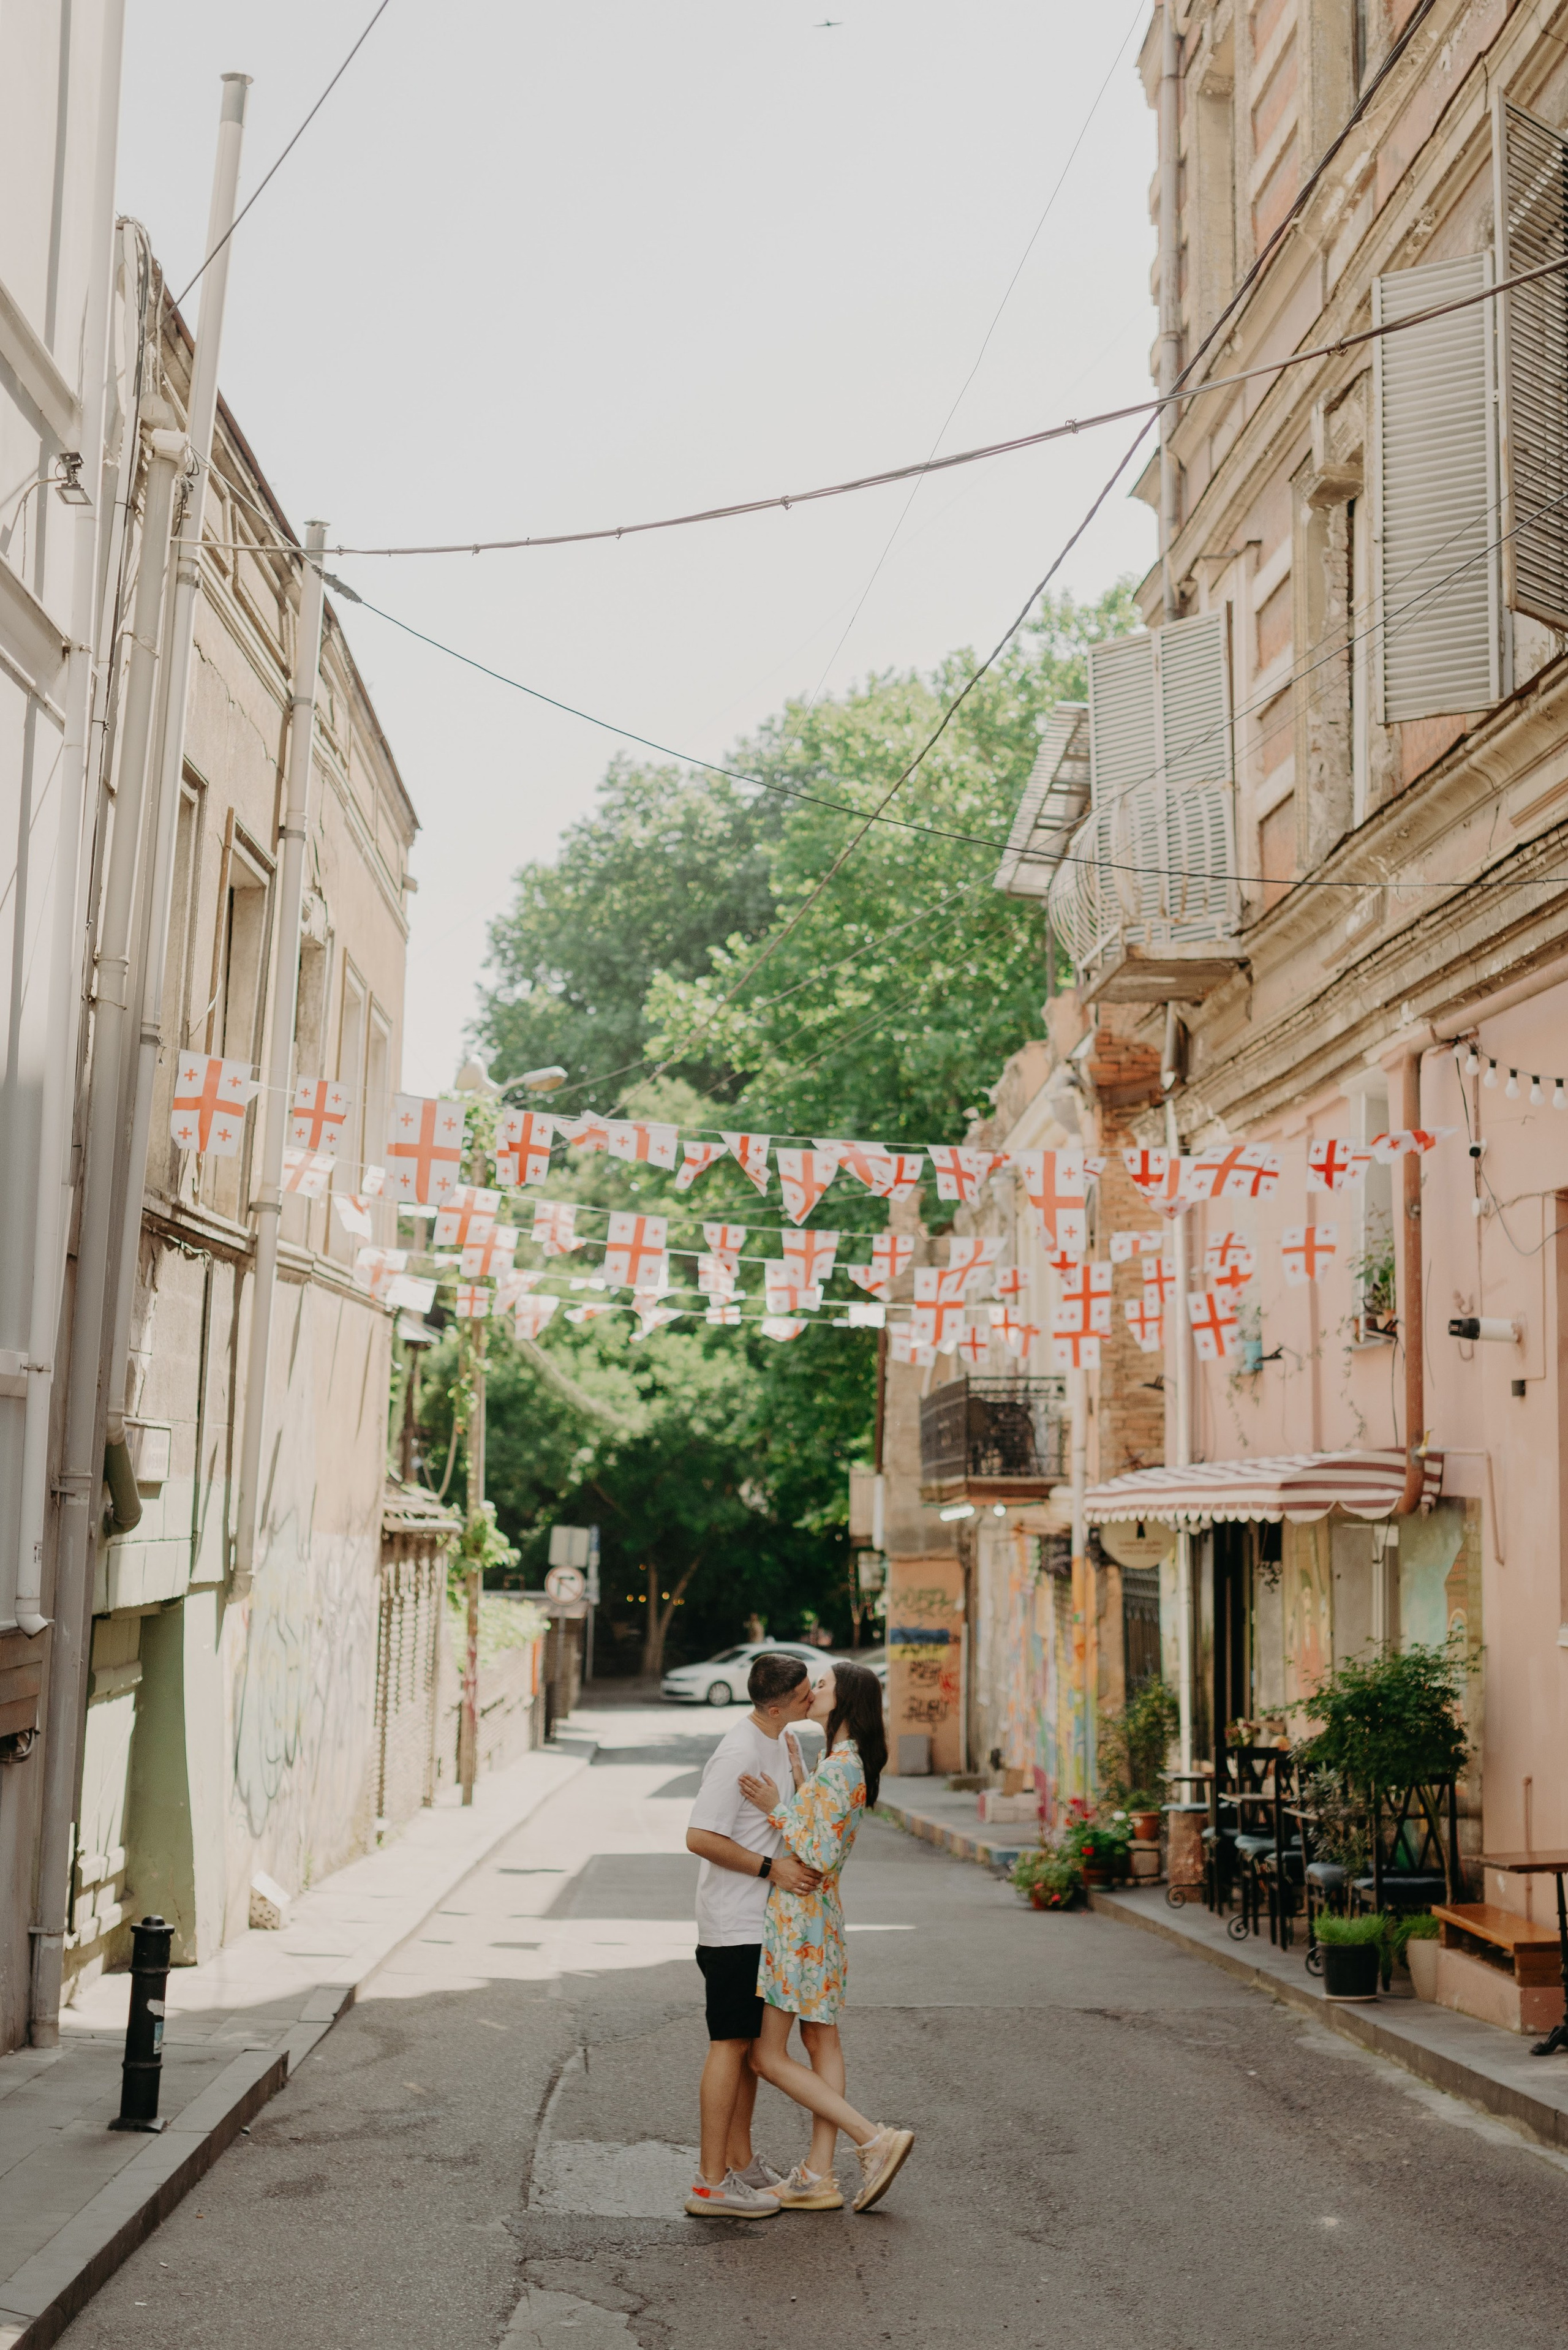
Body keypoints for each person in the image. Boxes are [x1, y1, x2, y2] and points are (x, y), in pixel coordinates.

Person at [739, 1659, 915, 2215]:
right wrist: (797, 1778)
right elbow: (821, 1824)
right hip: (818, 1918)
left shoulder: (844, 1767)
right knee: (821, 2043)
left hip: (803, 1918)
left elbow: (816, 1851)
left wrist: (774, 1809)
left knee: (766, 2056)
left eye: (823, 1685)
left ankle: (873, 2138)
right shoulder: (835, 1761)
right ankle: (817, 2174)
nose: (811, 1690)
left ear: (846, 1700)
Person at [682, 1650, 821, 2218]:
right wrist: (773, 1869)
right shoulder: (739, 1748)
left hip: (761, 1922)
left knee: (745, 2052)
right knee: (730, 2045)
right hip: (733, 1923)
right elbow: (699, 1835)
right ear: (774, 1703)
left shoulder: (778, 1740)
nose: (813, 1697)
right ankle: (711, 2183)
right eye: (805, 1693)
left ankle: (740, 2164)